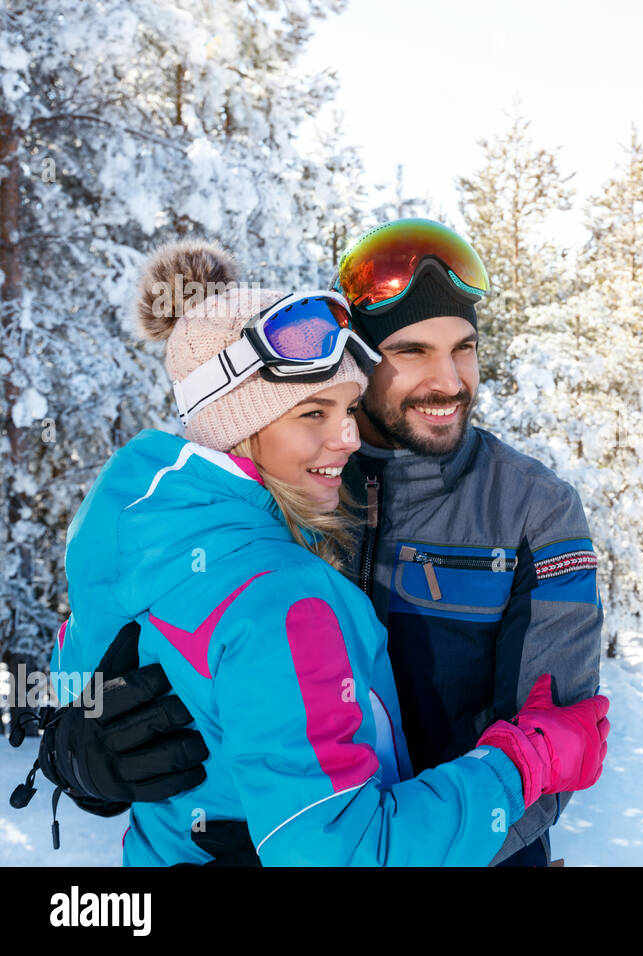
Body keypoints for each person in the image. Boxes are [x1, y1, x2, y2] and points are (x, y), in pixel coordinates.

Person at [35, 220, 606, 867]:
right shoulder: (289, 487)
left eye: (465, 348)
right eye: (412, 351)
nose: (447, 380)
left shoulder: (532, 506)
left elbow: (559, 737)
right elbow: (132, 641)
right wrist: (85, 748)